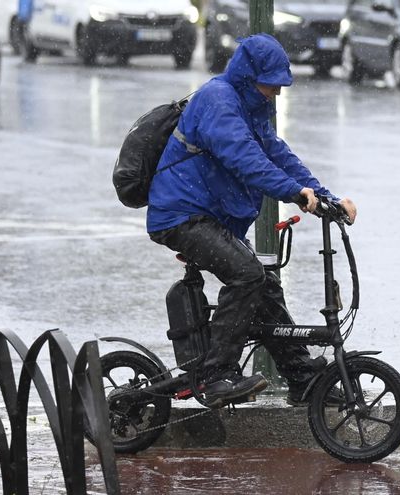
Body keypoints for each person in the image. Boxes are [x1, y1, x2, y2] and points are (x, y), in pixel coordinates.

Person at [146, 34, 357, 407]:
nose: (275, 92)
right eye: (270, 84)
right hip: (181, 215)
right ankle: (216, 376)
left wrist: (325, 196)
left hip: (210, 215)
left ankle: (302, 378)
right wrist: (294, 193)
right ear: (248, 77)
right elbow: (246, 159)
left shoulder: (251, 108)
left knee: (265, 286)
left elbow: (277, 154)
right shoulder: (219, 100)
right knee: (246, 275)